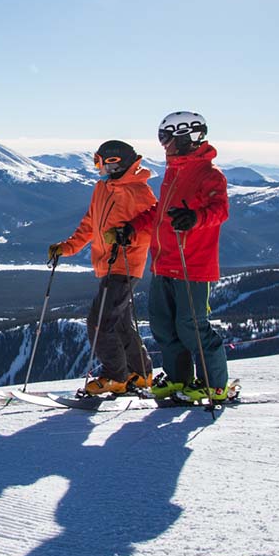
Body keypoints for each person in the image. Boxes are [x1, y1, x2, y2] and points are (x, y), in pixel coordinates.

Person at [124, 111, 232, 402]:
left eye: (167, 138)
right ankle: (178, 379)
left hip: (193, 266)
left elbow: (220, 210)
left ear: (185, 138)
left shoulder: (210, 174)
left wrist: (195, 218)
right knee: (162, 325)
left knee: (192, 326)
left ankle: (214, 384)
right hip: (163, 264)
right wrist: (131, 228)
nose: (163, 145)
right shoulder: (174, 172)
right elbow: (161, 214)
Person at [48, 140, 157, 395]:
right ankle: (141, 373)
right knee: (118, 323)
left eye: (101, 162)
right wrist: (68, 247)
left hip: (125, 265)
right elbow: (90, 223)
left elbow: (152, 226)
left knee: (99, 322)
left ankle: (115, 376)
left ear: (116, 162)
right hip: (108, 264)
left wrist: (125, 236)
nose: (99, 168)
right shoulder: (103, 188)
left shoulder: (138, 192)